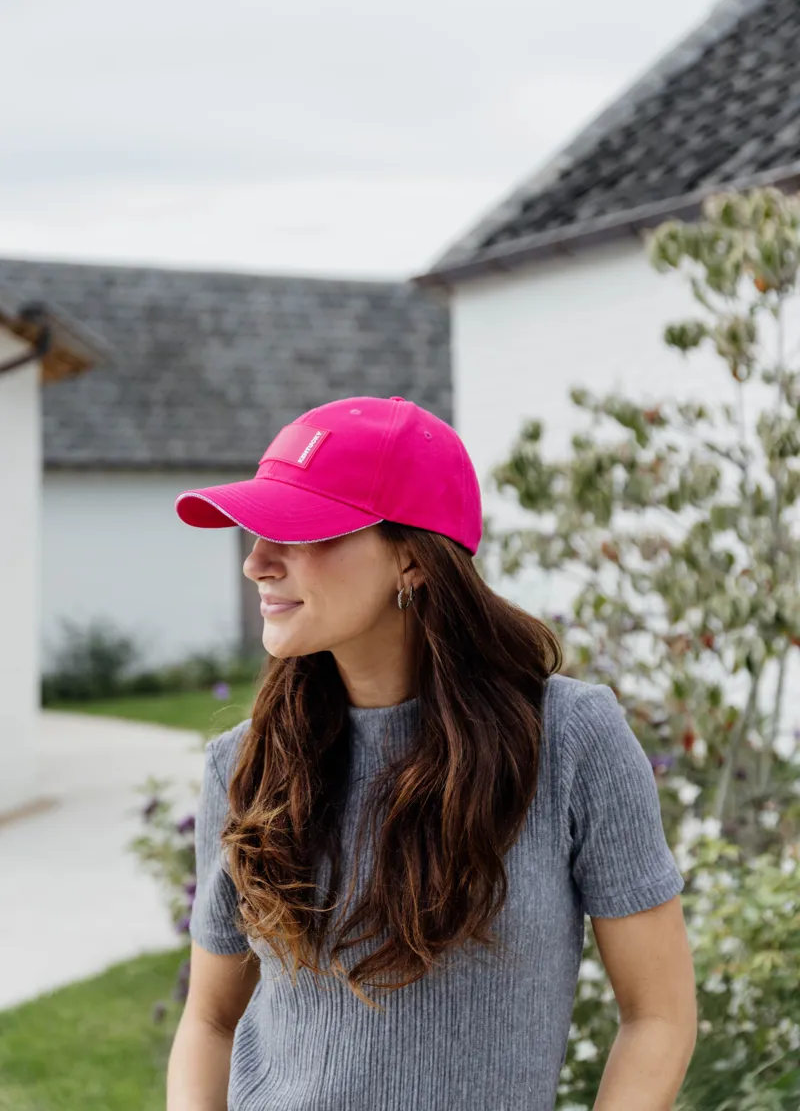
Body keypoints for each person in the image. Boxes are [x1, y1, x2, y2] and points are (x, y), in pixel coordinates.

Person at [166, 394, 697, 1111]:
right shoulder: (245, 764)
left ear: (413, 560)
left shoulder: (569, 740)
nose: (257, 563)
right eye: (258, 532)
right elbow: (210, 1019)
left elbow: (658, 1016)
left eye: (299, 531)